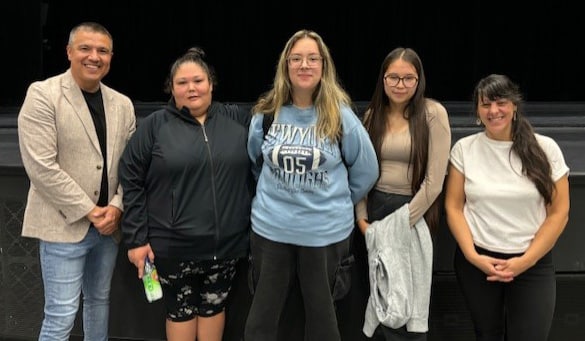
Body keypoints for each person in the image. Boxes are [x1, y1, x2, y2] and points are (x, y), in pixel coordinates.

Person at [244, 29, 379, 341]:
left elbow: (366, 171)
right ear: (286, 66)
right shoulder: (266, 115)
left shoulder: (341, 117)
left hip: (325, 235)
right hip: (271, 231)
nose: (304, 65)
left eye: (312, 59)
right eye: (296, 59)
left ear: (323, 66)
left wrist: (333, 201)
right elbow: (254, 163)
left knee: (322, 322)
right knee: (260, 322)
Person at [118, 47, 253, 341]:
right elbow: (130, 177)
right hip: (173, 250)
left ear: (211, 83)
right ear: (171, 88)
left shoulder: (237, 120)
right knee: (179, 311)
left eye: (198, 80)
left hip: (226, 248)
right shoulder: (155, 126)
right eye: (182, 83)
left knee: (214, 308)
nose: (191, 88)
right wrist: (137, 238)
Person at [17, 22, 136, 341]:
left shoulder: (122, 104)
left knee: (99, 304)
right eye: (85, 48)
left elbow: (132, 165)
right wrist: (90, 210)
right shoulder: (42, 94)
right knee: (60, 315)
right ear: (69, 52)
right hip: (63, 227)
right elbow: (41, 166)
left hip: (108, 228)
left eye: (102, 50)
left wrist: (116, 207)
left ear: (111, 57)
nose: (93, 56)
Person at [444, 74, 570, 341]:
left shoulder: (545, 148)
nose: (493, 111)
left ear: (514, 106)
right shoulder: (464, 149)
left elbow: (559, 212)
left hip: (531, 263)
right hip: (477, 263)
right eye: (485, 105)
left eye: (500, 103)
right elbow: (453, 207)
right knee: (487, 334)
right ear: (477, 111)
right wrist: (472, 255)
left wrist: (526, 261)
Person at [354, 47, 451, 341]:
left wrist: (400, 223)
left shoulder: (433, 113)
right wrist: (362, 219)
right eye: (393, 77)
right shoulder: (372, 115)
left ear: (418, 80)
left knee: (406, 305)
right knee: (378, 297)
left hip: (413, 213)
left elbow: (434, 181)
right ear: (383, 80)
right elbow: (359, 172)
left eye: (408, 78)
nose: (400, 84)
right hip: (375, 212)